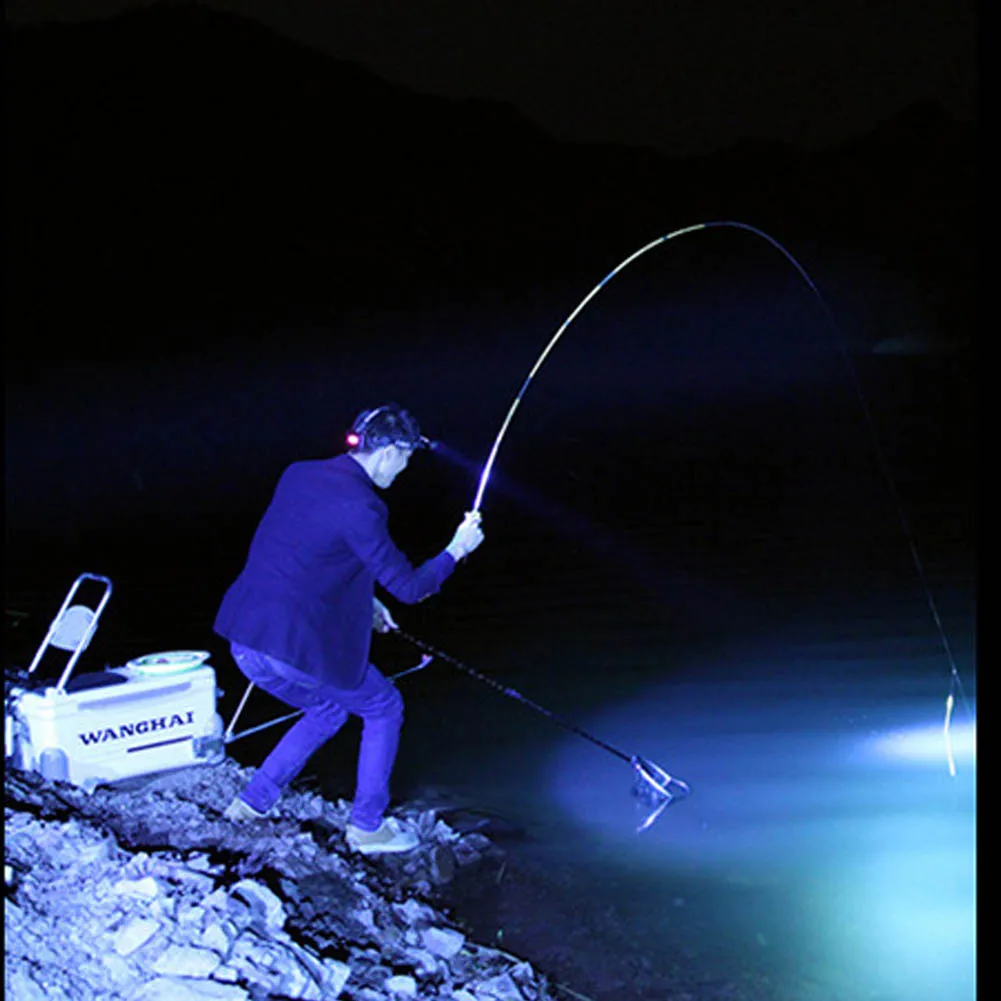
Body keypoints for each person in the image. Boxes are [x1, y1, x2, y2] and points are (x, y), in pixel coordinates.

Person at [213, 403, 485, 854]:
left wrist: (367, 602)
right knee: (383, 706)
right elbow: (411, 587)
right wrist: (457, 550)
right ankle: (366, 827)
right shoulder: (363, 506)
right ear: (389, 452)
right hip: (292, 647)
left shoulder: (298, 474)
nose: (403, 470)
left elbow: (311, 555)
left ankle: (252, 803)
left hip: (245, 640)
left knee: (327, 710)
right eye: (405, 458)